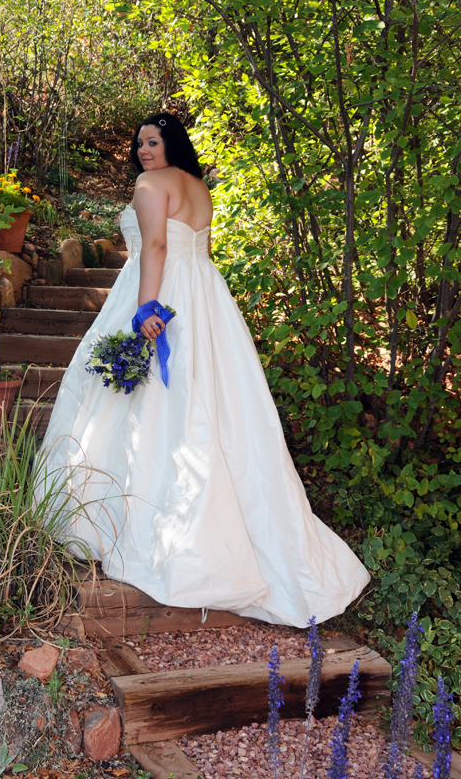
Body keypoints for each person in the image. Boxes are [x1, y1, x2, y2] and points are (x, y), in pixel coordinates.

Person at [37, 112, 370, 627]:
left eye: (153, 141)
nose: (144, 150)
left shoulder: (151, 184)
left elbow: (156, 246)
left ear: (172, 143)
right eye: (139, 143)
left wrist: (145, 309)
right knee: (210, 401)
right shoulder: (199, 187)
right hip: (203, 298)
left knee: (146, 402)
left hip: (159, 292)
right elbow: (201, 251)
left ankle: (141, 522)